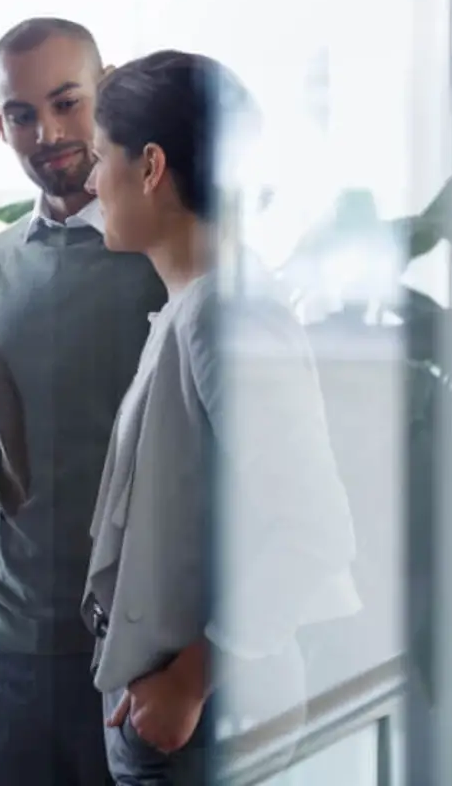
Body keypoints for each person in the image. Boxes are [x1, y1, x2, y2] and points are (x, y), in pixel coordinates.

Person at [82, 51, 360, 783]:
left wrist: (188, 682)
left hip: (205, 716)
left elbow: (316, 531)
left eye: (99, 157)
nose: (88, 181)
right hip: (184, 710)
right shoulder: (197, 302)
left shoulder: (221, 312)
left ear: (150, 167)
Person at [0, 18, 167, 786]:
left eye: (67, 103)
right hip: (13, 639)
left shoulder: (167, 256)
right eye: (21, 113)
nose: (47, 132)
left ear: (109, 92)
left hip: (136, 649)